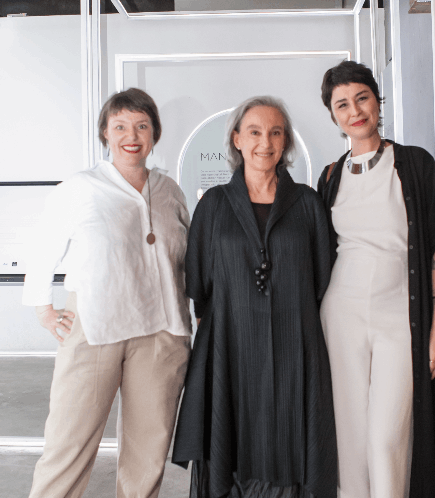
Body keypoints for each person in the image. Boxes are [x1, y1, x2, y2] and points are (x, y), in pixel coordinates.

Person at [22, 88, 192, 498]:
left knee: (148, 453)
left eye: (141, 126)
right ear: (105, 133)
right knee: (68, 443)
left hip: (162, 333)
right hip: (96, 328)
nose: (131, 136)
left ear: (154, 133)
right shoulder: (81, 187)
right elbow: (43, 247)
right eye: (120, 126)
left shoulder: (170, 191)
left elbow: (188, 259)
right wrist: (44, 309)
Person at [172, 96, 337, 498]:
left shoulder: (308, 204)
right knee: (231, 437)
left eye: (276, 133)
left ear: (286, 142)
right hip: (230, 343)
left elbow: (323, 279)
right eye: (255, 132)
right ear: (237, 140)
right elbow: (198, 283)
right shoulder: (213, 204)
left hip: (296, 346)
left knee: (292, 436)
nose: (266, 142)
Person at [317, 60, 435, 498]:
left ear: (378, 101)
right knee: (350, 438)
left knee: (387, 438)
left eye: (361, 98)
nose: (355, 111)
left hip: (401, 316)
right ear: (333, 116)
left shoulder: (414, 164)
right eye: (342, 104)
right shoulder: (330, 176)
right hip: (340, 315)